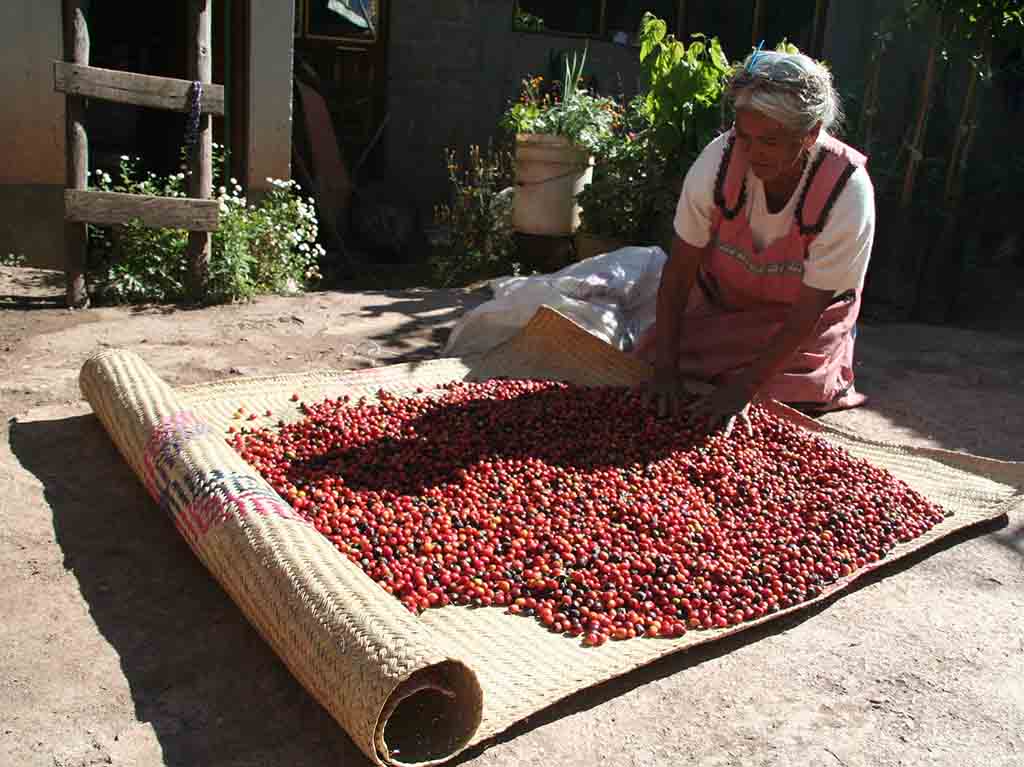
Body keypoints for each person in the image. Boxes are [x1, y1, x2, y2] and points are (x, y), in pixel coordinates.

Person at [634, 49, 875, 436]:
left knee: (794, 392)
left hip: (804, 325)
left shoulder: (845, 190)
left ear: (810, 134)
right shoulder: (719, 162)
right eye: (744, 136)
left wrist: (744, 390)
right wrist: (665, 369)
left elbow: (808, 311)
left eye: (771, 141)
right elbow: (678, 273)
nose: (751, 151)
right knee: (652, 356)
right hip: (723, 307)